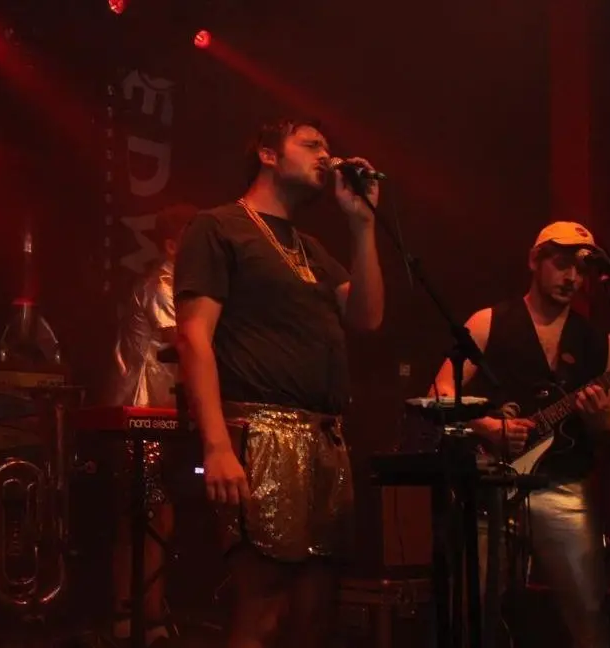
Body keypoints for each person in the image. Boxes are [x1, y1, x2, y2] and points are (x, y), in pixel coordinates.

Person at [174, 117, 384, 647]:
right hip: (259, 431)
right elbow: (194, 338)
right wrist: (217, 445)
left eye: (327, 147)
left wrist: (362, 226)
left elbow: (367, 316)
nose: (325, 156)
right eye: (310, 144)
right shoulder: (219, 226)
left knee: (313, 610)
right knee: (264, 604)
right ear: (268, 155)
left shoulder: (311, 248)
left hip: (325, 439)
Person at [430, 221, 610, 648]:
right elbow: (439, 393)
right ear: (535, 260)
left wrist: (598, 421)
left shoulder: (600, 342)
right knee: (473, 611)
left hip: (564, 486)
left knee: (589, 614)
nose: (572, 277)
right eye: (562, 263)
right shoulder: (489, 321)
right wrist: (487, 427)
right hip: (492, 483)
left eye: (581, 269)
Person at [109, 203, 196, 647]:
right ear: (172, 245)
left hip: (158, 413)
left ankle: (144, 612)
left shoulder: (182, 287)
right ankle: (138, 614)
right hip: (141, 415)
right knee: (146, 516)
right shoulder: (162, 285)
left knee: (155, 514)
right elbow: (182, 343)